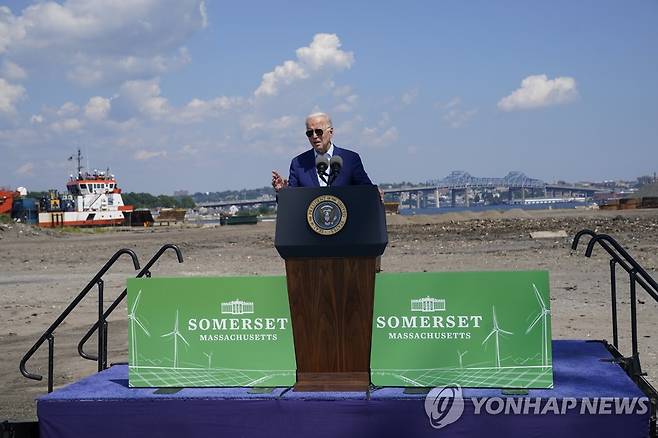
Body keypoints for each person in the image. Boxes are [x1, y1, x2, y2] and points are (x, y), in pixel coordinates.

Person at [272, 112, 373, 190]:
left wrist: (376, 192)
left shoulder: (350, 159)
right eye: (310, 133)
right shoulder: (298, 163)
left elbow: (366, 189)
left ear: (331, 132)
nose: (314, 136)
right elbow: (292, 199)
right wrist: (283, 191)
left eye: (319, 132)